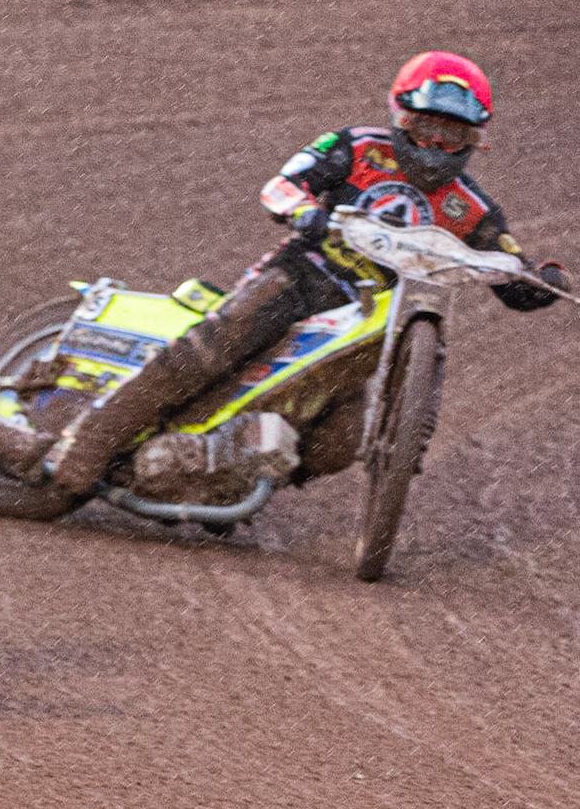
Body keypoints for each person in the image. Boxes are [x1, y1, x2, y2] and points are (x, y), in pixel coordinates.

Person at [45, 51, 571, 493]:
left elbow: (511, 270)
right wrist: (307, 213)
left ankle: (222, 475)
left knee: (339, 443)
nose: (435, 147)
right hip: (305, 277)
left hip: (369, 324)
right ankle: (87, 442)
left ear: (475, 139)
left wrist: (544, 282)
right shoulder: (356, 147)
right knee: (215, 348)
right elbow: (281, 186)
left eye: (452, 136)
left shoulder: (470, 207)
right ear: (401, 118)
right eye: (426, 128)